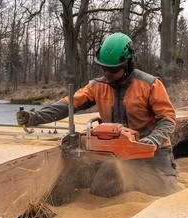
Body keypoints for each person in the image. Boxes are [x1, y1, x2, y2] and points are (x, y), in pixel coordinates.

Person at [16, 32, 179, 197]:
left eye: (113, 70)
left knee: (165, 194)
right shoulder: (97, 85)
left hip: (152, 154)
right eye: (104, 69)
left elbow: (168, 119)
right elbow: (68, 105)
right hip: (117, 154)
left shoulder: (150, 85)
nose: (108, 74)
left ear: (128, 64)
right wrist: (35, 117)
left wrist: (152, 140)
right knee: (100, 191)